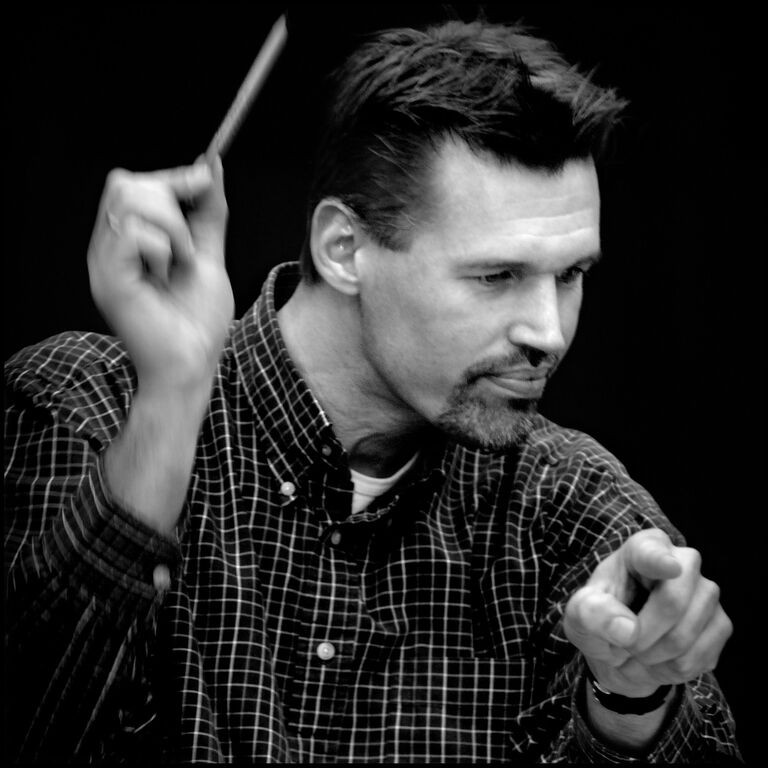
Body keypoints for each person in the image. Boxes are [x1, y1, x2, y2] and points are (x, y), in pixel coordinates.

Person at [4, 18, 742, 764]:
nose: (549, 333)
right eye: (497, 276)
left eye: (572, 274)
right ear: (344, 249)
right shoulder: (83, 409)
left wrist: (629, 700)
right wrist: (171, 399)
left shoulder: (575, 514)